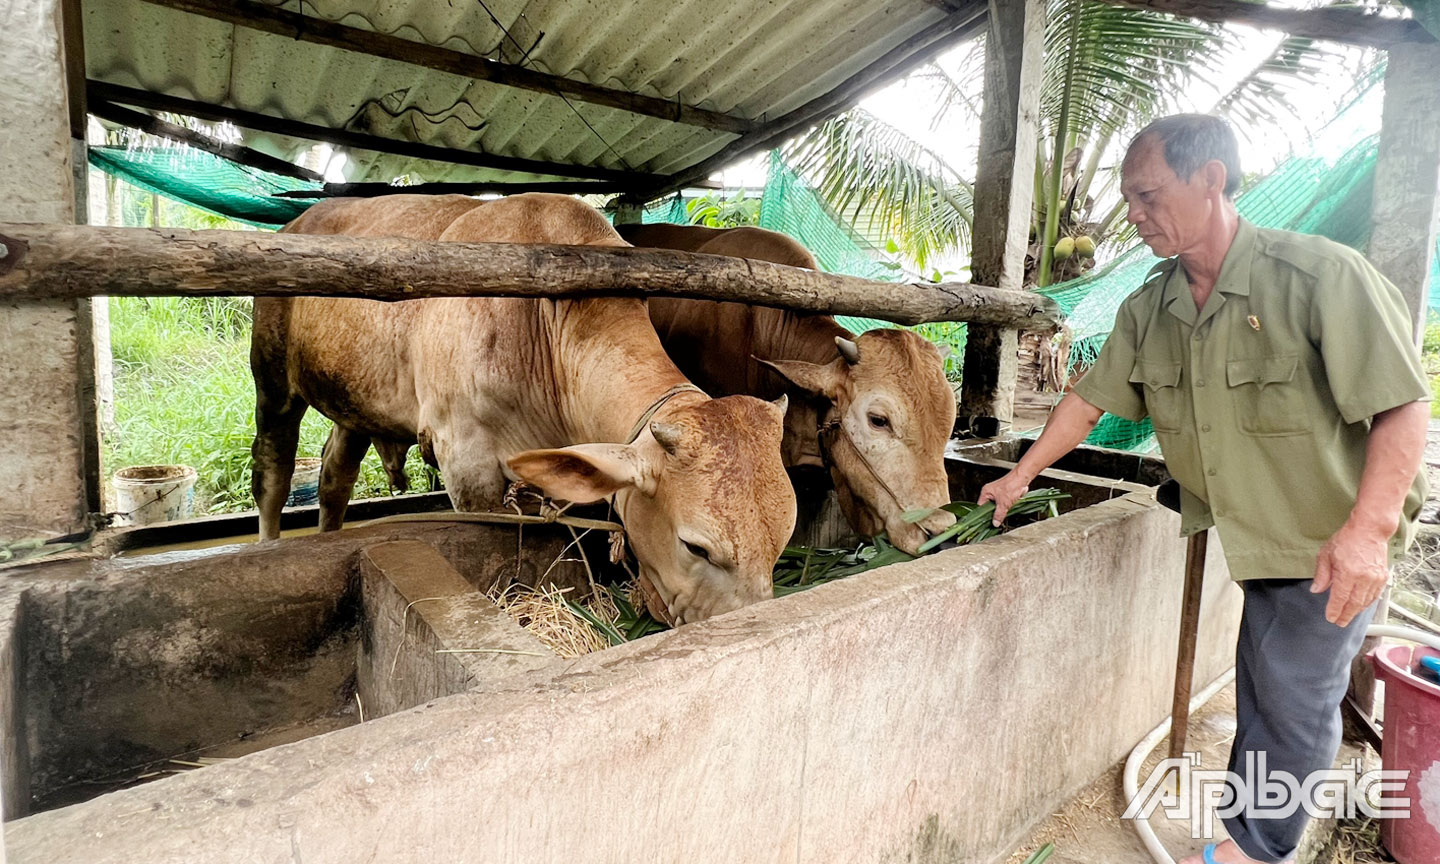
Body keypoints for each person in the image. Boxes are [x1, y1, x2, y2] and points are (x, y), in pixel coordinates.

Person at [980, 114, 1430, 864]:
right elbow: (1090, 400)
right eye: (1130, 199)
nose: (1135, 214)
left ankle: (1254, 850)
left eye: (1149, 194)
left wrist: (1368, 533)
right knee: (1264, 690)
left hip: (1327, 539)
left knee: (1290, 706)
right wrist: (1018, 477)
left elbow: (1402, 406)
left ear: (1212, 178)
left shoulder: (1319, 276)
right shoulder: (1151, 305)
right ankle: (1245, 836)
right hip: (1256, 538)